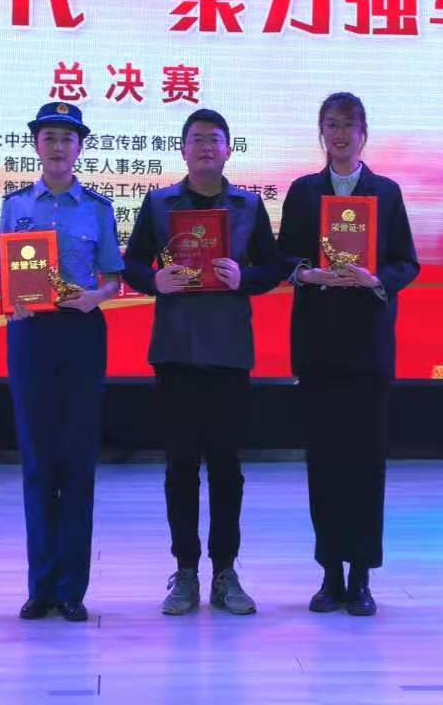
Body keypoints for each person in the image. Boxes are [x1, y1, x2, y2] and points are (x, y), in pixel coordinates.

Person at [122, 108, 290, 616]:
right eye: (196, 139)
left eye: (214, 139)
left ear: (228, 150)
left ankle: (225, 570)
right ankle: (185, 571)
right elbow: (131, 262)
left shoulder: (248, 205)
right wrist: (154, 280)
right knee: (180, 466)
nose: (205, 147)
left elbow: (273, 266)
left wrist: (246, 277)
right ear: (183, 149)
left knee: (226, 467)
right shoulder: (159, 204)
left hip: (229, 351)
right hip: (175, 350)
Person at [277, 92, 420, 617]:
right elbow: (283, 257)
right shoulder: (303, 191)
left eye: (349, 126)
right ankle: (329, 573)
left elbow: (407, 263)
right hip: (318, 346)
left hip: (368, 347)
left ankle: (361, 575)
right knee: (323, 463)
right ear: (322, 133)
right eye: (331, 125)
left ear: (364, 134)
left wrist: (374, 278)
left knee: (365, 463)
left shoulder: (387, 192)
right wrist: (306, 273)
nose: (340, 135)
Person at [0, 102, 124, 623]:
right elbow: (0, 273)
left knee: (77, 462)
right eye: (49, 137)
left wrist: (96, 297)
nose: (58, 146)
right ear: (36, 145)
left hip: (81, 333)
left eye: (68, 138)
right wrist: (13, 297)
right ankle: (40, 587)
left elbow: (114, 279)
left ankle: (72, 591)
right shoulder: (15, 205)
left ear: (80, 148)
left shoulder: (98, 208)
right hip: (30, 336)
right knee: (38, 462)